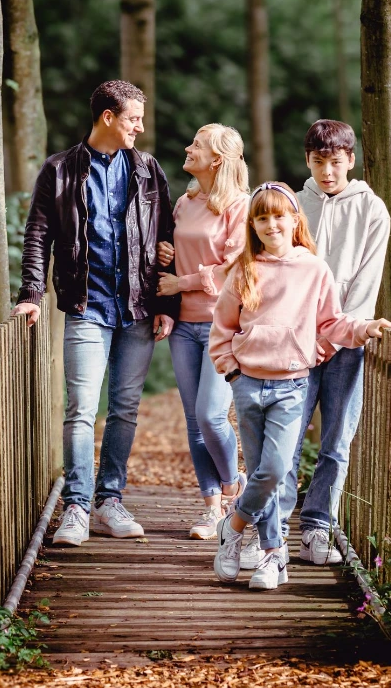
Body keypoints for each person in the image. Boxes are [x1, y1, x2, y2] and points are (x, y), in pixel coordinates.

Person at [13, 80, 179, 547]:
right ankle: (77, 508)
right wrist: (31, 293)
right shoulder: (60, 170)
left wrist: (168, 303)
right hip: (87, 306)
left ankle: (110, 501)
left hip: (139, 308)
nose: (140, 128)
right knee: (82, 409)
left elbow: (168, 236)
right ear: (107, 117)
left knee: (125, 408)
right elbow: (37, 235)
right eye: (133, 119)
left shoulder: (148, 169)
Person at [208, 181, 391, 590]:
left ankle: (235, 523)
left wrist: (364, 328)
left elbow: (331, 323)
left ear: (295, 220)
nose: (271, 224)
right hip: (248, 383)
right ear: (252, 224)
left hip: (292, 384)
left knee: (273, 470)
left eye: (279, 216)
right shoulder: (244, 269)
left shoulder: (313, 268)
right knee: (260, 470)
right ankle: (275, 557)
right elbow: (222, 328)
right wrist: (232, 372)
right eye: (261, 217)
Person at [274, 119, 391, 567]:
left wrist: (339, 335)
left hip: (348, 344)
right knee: (285, 435)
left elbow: (366, 282)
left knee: (337, 439)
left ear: (350, 161)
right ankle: (277, 525)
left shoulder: (372, 210)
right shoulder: (293, 205)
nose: (327, 171)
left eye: (336, 163)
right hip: (294, 341)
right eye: (319, 162)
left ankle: (318, 527)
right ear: (307, 160)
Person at [155, 124, 249, 540]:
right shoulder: (185, 202)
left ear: (217, 160)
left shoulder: (240, 207)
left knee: (212, 415)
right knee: (194, 422)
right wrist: (166, 254)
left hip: (222, 324)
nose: (188, 148)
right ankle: (213, 510)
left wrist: (180, 282)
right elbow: (174, 254)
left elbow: (233, 268)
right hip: (183, 325)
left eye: (197, 145)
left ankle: (233, 486)